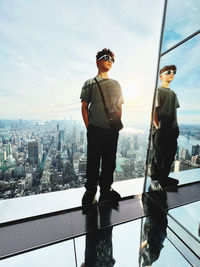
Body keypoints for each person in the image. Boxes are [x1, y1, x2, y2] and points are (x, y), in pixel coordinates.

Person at [80, 48, 124, 205]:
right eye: (106, 58)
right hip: (95, 129)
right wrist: (89, 127)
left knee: (109, 161)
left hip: (111, 130)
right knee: (93, 160)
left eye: (112, 60)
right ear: (97, 61)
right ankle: (90, 190)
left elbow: (119, 107)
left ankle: (106, 190)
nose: (109, 61)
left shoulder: (116, 84)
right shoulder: (89, 83)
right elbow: (84, 106)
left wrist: (116, 124)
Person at [150, 65, 180, 191]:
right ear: (161, 76)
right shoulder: (158, 91)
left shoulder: (173, 93)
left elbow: (174, 110)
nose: (172, 74)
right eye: (168, 72)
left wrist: (175, 126)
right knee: (159, 155)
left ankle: (164, 178)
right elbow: (153, 109)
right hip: (161, 126)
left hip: (172, 127)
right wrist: (157, 125)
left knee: (170, 154)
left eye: (174, 72)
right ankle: (155, 180)